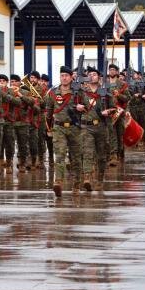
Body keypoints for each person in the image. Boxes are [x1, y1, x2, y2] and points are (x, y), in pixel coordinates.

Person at [45, 66, 84, 197]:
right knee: (60, 155)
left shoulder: (79, 91)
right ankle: (58, 182)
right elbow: (49, 112)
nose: (64, 78)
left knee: (76, 158)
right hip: (59, 128)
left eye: (66, 75)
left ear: (71, 77)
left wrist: (81, 108)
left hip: (74, 128)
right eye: (62, 75)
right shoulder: (53, 92)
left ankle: (77, 184)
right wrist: (49, 128)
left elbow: (89, 107)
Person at [82, 68, 115, 191]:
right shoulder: (82, 92)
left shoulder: (105, 92)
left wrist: (108, 111)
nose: (92, 76)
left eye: (94, 74)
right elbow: (74, 105)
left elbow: (114, 108)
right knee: (88, 153)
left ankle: (100, 179)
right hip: (87, 127)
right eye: (89, 74)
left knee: (101, 156)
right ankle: (87, 178)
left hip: (101, 126)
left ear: (99, 77)